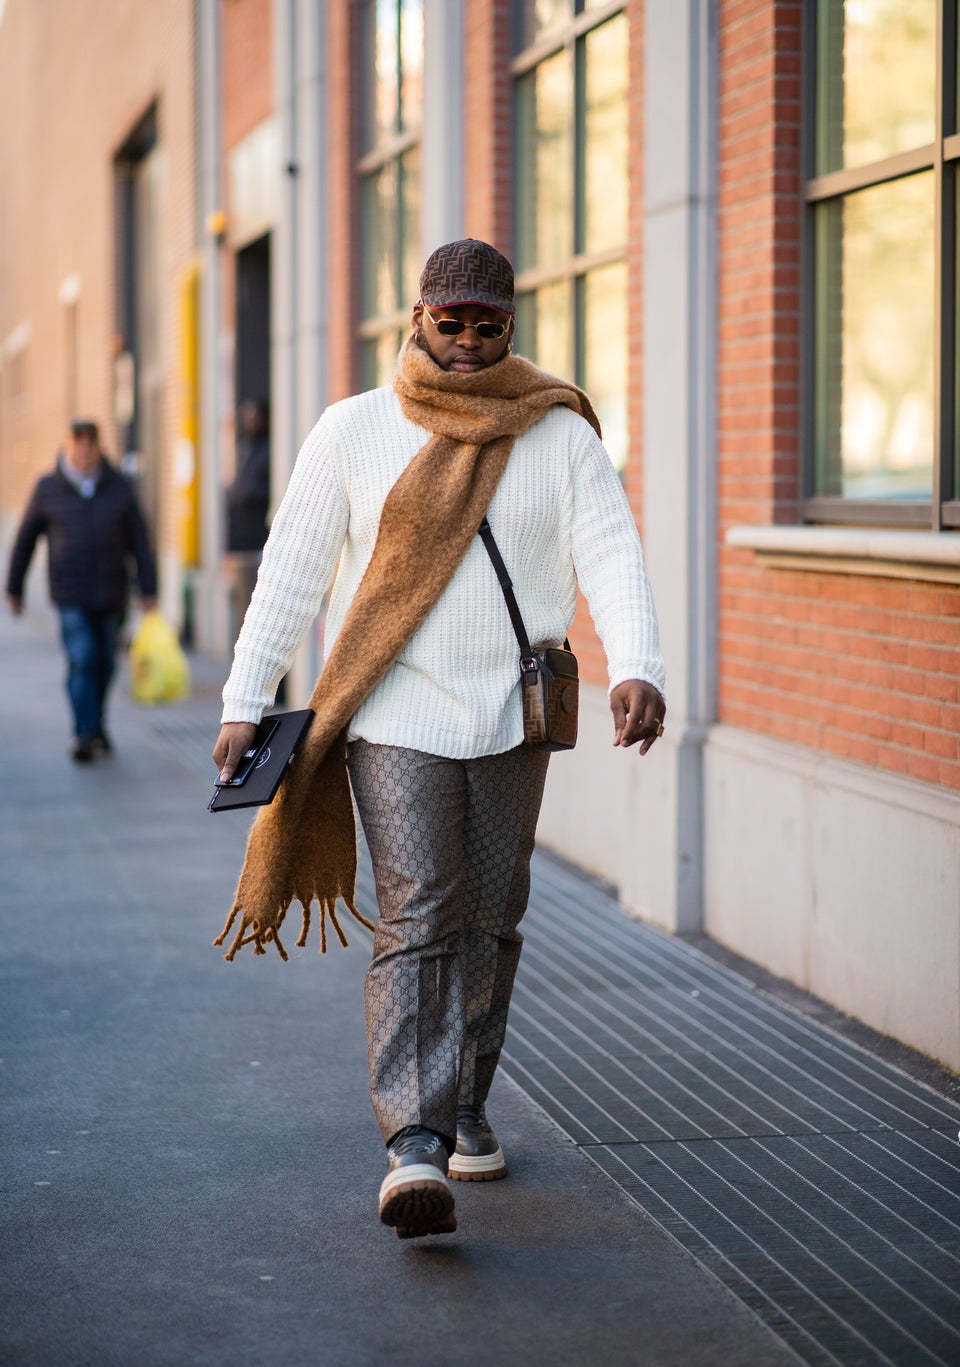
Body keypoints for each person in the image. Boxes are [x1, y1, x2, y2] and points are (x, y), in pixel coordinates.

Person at [212, 239, 666, 1240]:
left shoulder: (558, 434)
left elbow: (612, 554)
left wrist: (640, 665)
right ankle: (411, 1139)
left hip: (512, 711)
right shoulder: (355, 430)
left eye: (486, 325)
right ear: (415, 317)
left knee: (493, 914)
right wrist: (246, 695)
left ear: (513, 328)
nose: (465, 341)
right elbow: (291, 571)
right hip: (393, 710)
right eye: (448, 321)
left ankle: (465, 1099)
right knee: (420, 905)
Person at [5, 417, 157, 762]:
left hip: (111, 592)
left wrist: (149, 588)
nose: (85, 451)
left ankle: (95, 723)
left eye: (91, 444)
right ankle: (84, 733)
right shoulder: (48, 488)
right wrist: (14, 588)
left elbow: (140, 540)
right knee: (83, 656)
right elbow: (25, 540)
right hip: (69, 593)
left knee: (104, 661)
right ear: (67, 447)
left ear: (99, 447)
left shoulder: (119, 486)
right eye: (78, 444)